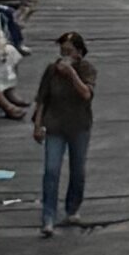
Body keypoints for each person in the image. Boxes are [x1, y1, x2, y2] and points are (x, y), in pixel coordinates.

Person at [35, 29, 97, 235]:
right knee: (51, 170)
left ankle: (72, 208)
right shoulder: (51, 70)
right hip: (55, 125)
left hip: (79, 125)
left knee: (77, 169)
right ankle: (48, 216)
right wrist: (38, 124)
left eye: (69, 52)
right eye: (62, 51)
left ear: (78, 53)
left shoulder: (87, 69)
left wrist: (71, 74)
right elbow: (42, 99)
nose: (64, 56)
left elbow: (86, 94)